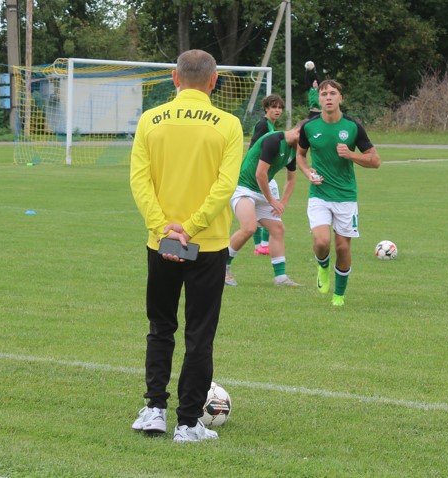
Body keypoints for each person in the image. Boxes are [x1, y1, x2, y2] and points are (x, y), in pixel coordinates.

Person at [129, 49, 243, 443]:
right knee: (199, 333)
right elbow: (224, 187)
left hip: (160, 243)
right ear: (214, 82)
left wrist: (165, 229)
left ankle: (154, 410)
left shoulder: (150, 120)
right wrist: (191, 228)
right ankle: (188, 423)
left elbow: (139, 181)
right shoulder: (228, 124)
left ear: (174, 79)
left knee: (161, 327)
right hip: (207, 245)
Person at [296, 80, 381, 306]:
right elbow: (300, 155)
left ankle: (339, 295)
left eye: (333, 93)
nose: (329, 97)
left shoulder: (353, 127)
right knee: (322, 241)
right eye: (324, 94)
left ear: (341, 98)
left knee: (342, 247)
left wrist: (352, 155)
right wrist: (307, 172)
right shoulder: (309, 127)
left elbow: (375, 161)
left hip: (345, 197)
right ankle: (322, 266)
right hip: (319, 194)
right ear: (319, 99)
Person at [224, 124, 305, 287]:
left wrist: (283, 202)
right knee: (249, 227)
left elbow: (291, 179)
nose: (307, 147)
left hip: (261, 191)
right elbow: (260, 174)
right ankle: (221, 267)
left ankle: (280, 278)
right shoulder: (274, 140)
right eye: (306, 141)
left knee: (277, 229)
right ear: (298, 132)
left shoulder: (292, 150)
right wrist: (272, 201)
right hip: (242, 187)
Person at [249, 94, 286, 256]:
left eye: (280, 107)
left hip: (262, 172)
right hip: (259, 173)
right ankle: (263, 245)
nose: (277, 110)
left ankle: (260, 245)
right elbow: (254, 147)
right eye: (274, 107)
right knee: (272, 207)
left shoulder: (270, 125)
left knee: (258, 209)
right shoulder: (263, 125)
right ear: (266, 108)